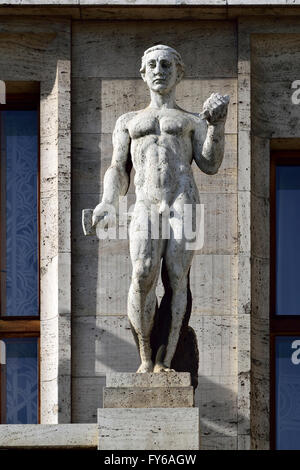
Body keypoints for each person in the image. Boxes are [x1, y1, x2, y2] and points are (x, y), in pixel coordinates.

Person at [92, 45, 229, 373]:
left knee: (178, 277)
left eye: (166, 64)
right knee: (142, 274)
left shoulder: (192, 120)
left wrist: (217, 126)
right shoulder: (128, 121)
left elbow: (210, 163)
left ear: (178, 72)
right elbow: (118, 168)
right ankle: (143, 356)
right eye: (152, 64)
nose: (159, 70)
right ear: (143, 73)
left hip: (184, 201)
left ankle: (165, 362)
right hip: (146, 203)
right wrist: (108, 201)